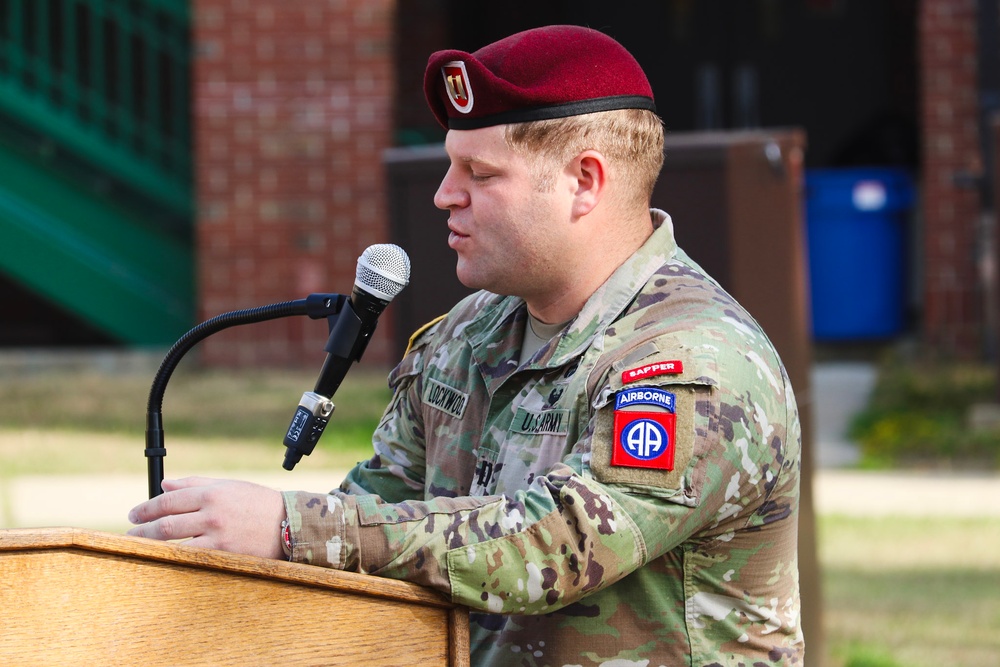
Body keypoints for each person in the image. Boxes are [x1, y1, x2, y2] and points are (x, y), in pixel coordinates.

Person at [128, 25, 804, 666]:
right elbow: (376, 520)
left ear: (585, 182)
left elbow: (557, 545)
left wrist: (289, 526)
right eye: (452, 168)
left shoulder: (693, 359)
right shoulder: (463, 337)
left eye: (480, 175)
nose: (445, 195)